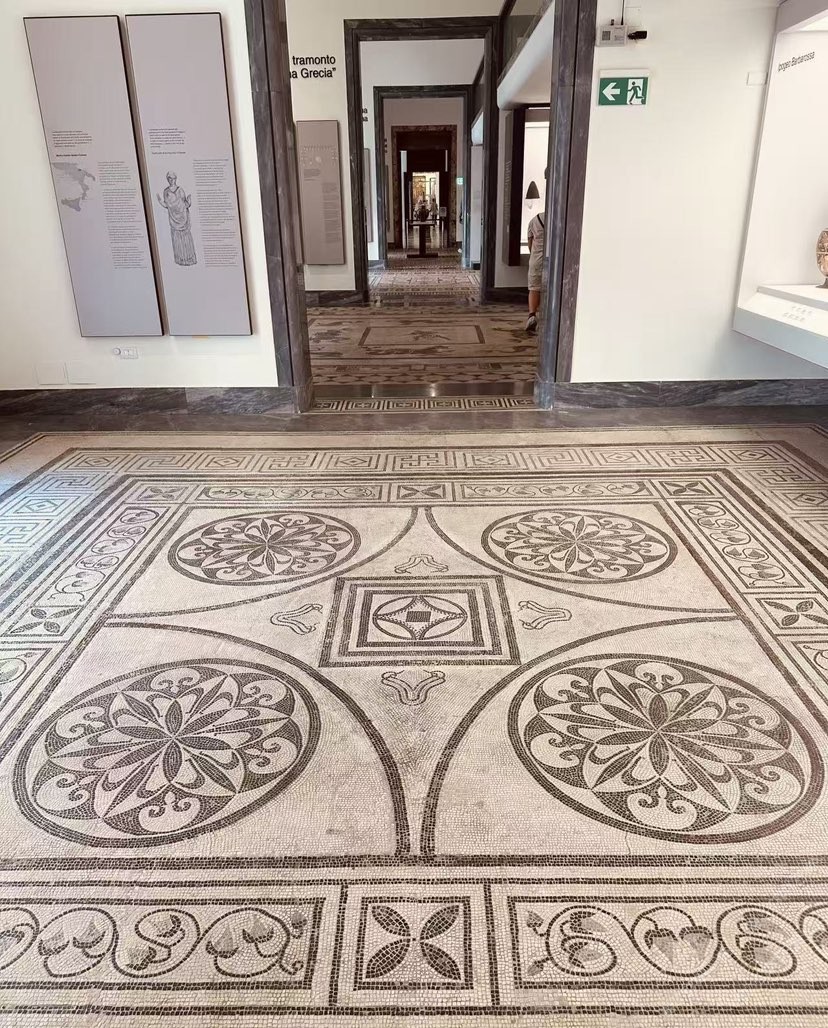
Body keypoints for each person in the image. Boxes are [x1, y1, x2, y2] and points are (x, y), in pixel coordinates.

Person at [525, 208, 545, 333]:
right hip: (554, 260)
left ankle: (532, 315)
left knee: (534, 288)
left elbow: (530, 244)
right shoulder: (559, 218)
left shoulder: (534, 220)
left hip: (536, 260)